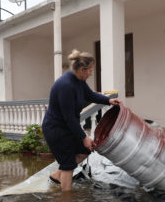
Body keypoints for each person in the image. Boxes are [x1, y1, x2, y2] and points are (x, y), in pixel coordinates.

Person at [42, 49, 121, 192]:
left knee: (85, 151)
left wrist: (109, 100)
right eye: (90, 70)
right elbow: (69, 118)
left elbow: (90, 95)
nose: (91, 73)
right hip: (57, 129)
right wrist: (84, 137)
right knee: (68, 166)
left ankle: (56, 176)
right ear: (82, 69)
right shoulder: (65, 85)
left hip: (68, 126)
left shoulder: (79, 81)